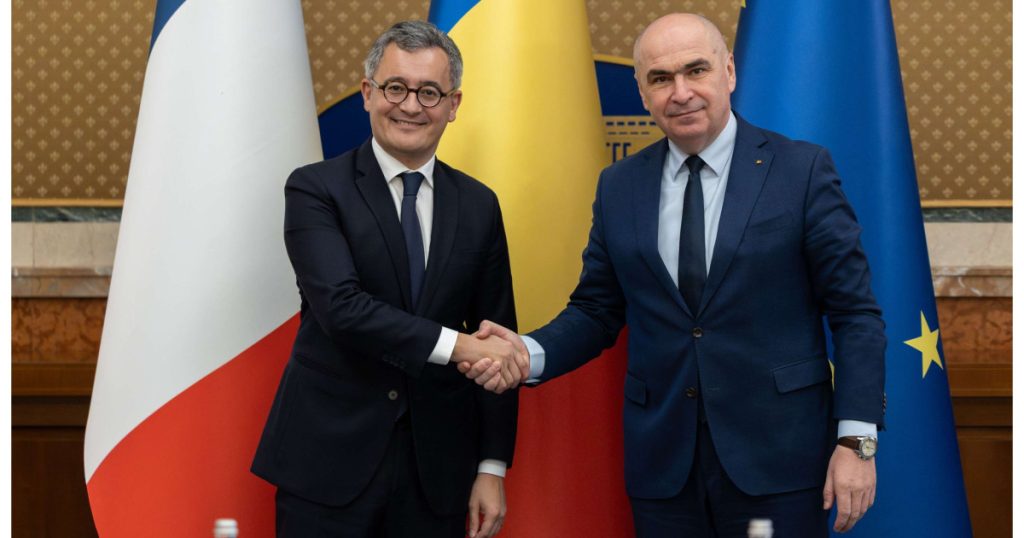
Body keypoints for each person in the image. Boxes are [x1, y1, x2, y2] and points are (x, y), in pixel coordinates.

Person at [463, 13, 886, 537]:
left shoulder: (800, 171)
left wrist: (856, 441)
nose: (681, 92)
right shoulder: (619, 186)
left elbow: (855, 314)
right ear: (643, 93)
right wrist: (527, 354)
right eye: (661, 78)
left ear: (729, 72)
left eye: (696, 70)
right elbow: (597, 310)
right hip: (664, 468)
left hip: (779, 463)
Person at [252, 20, 527, 538]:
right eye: (396, 87)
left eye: (429, 92)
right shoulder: (316, 189)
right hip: (327, 464)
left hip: (438, 472)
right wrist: (460, 346)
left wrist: (491, 467)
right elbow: (342, 309)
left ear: (453, 104)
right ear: (367, 93)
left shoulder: (479, 205)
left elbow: (496, 332)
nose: (410, 106)